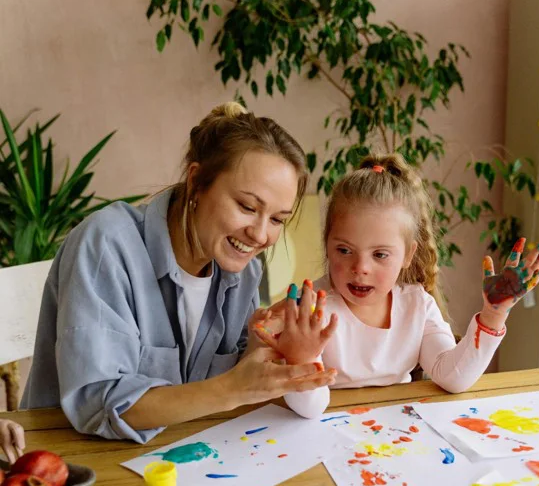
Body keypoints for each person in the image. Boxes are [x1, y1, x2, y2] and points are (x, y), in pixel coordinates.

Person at [21, 103, 336, 442]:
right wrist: (234, 388)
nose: (260, 235)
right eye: (247, 207)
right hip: (71, 458)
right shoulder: (107, 244)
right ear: (196, 181)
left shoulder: (242, 272)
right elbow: (99, 405)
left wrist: (262, 349)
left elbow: (214, 389)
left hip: (178, 456)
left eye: (277, 219)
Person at [255, 153, 539, 418]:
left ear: (408, 255)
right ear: (327, 246)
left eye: (380, 255)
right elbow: (310, 407)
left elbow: (453, 377)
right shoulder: (309, 311)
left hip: (396, 439)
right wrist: (302, 356)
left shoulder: (417, 306)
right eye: (344, 250)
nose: (361, 267)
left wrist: (493, 315)